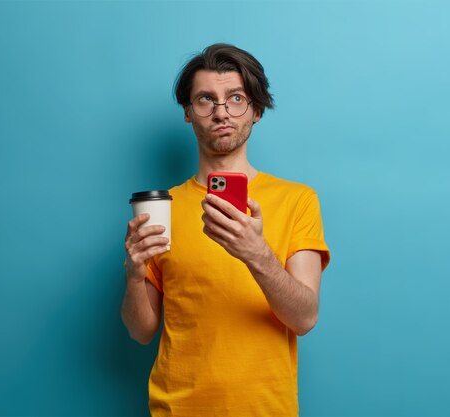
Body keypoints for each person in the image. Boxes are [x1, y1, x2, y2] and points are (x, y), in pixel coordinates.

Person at [122, 43, 330, 416]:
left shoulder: (298, 200)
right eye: (205, 99)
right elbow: (141, 331)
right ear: (188, 112)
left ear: (257, 109)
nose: (221, 112)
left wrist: (256, 253)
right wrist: (135, 275)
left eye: (235, 98)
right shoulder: (161, 208)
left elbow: (304, 318)